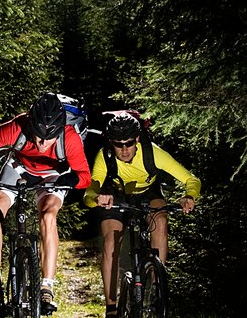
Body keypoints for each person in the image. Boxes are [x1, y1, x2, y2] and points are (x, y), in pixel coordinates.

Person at [0, 92, 91, 317]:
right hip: (19, 168)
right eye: (37, 137)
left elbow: (85, 177)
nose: (41, 144)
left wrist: (71, 179)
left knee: (49, 214)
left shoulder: (69, 138)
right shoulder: (15, 128)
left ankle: (46, 288)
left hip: (53, 175)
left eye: (48, 139)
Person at [83, 111, 201, 318]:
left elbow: (191, 179)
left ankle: (158, 287)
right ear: (111, 143)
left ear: (137, 139)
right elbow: (90, 191)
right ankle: (111, 307)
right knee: (111, 243)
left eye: (128, 143)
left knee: (161, 219)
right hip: (116, 195)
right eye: (118, 144)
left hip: (148, 192)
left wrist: (189, 196)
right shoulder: (105, 156)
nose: (124, 149)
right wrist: (97, 198)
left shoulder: (153, 153)